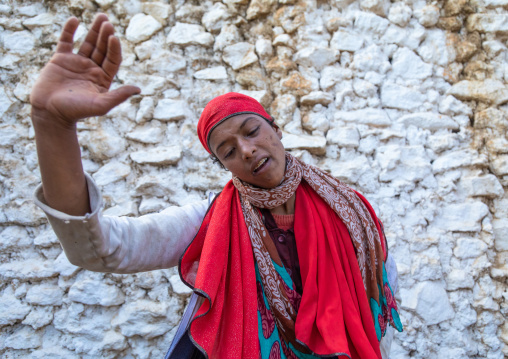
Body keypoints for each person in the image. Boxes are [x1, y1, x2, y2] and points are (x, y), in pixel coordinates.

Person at [31, 14, 402, 359]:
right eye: (227, 151)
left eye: (252, 131)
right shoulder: (209, 224)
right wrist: (53, 126)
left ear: (276, 128)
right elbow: (103, 251)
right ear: (223, 166)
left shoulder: (351, 209)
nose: (246, 149)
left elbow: (380, 295)